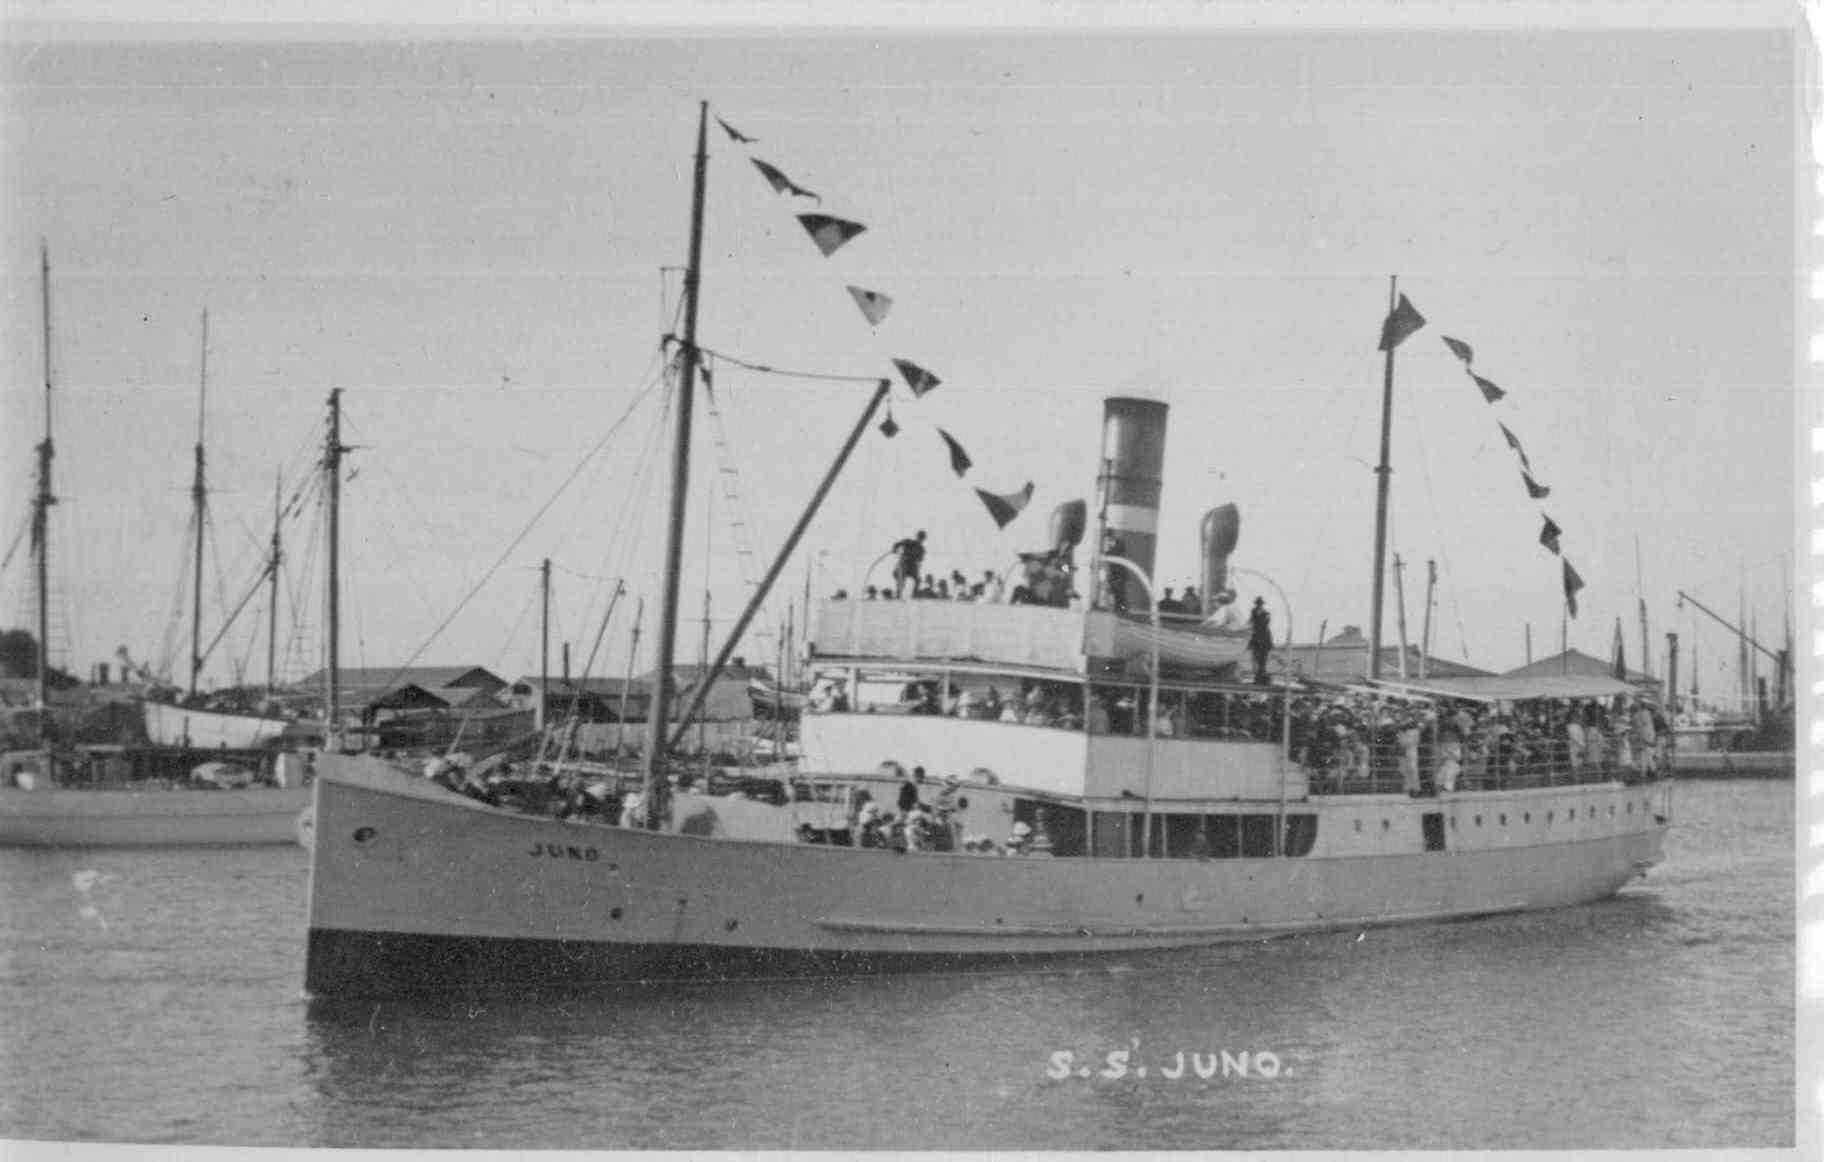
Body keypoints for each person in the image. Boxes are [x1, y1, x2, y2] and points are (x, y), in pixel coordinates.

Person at [891, 530, 927, 598]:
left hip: (912, 566)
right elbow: (897, 544)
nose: (920, 539)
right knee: (901, 578)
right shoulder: (909, 542)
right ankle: (898, 596)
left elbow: (919, 562)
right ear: (917, 536)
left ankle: (914, 595)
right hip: (903, 563)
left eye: (922, 538)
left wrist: (917, 572)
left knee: (917, 580)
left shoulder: (921, 549)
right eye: (920, 537)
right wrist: (895, 549)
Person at [1247, 597, 1273, 685]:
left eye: (1260, 604)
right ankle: (1258, 677)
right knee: (1256, 659)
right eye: (1258, 604)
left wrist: (1269, 643)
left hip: (1264, 640)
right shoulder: (1253, 614)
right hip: (1256, 640)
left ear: (1262, 605)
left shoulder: (1266, 614)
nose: (1259, 606)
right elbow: (1249, 625)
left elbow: (1266, 625)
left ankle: (1261, 678)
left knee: (1263, 660)